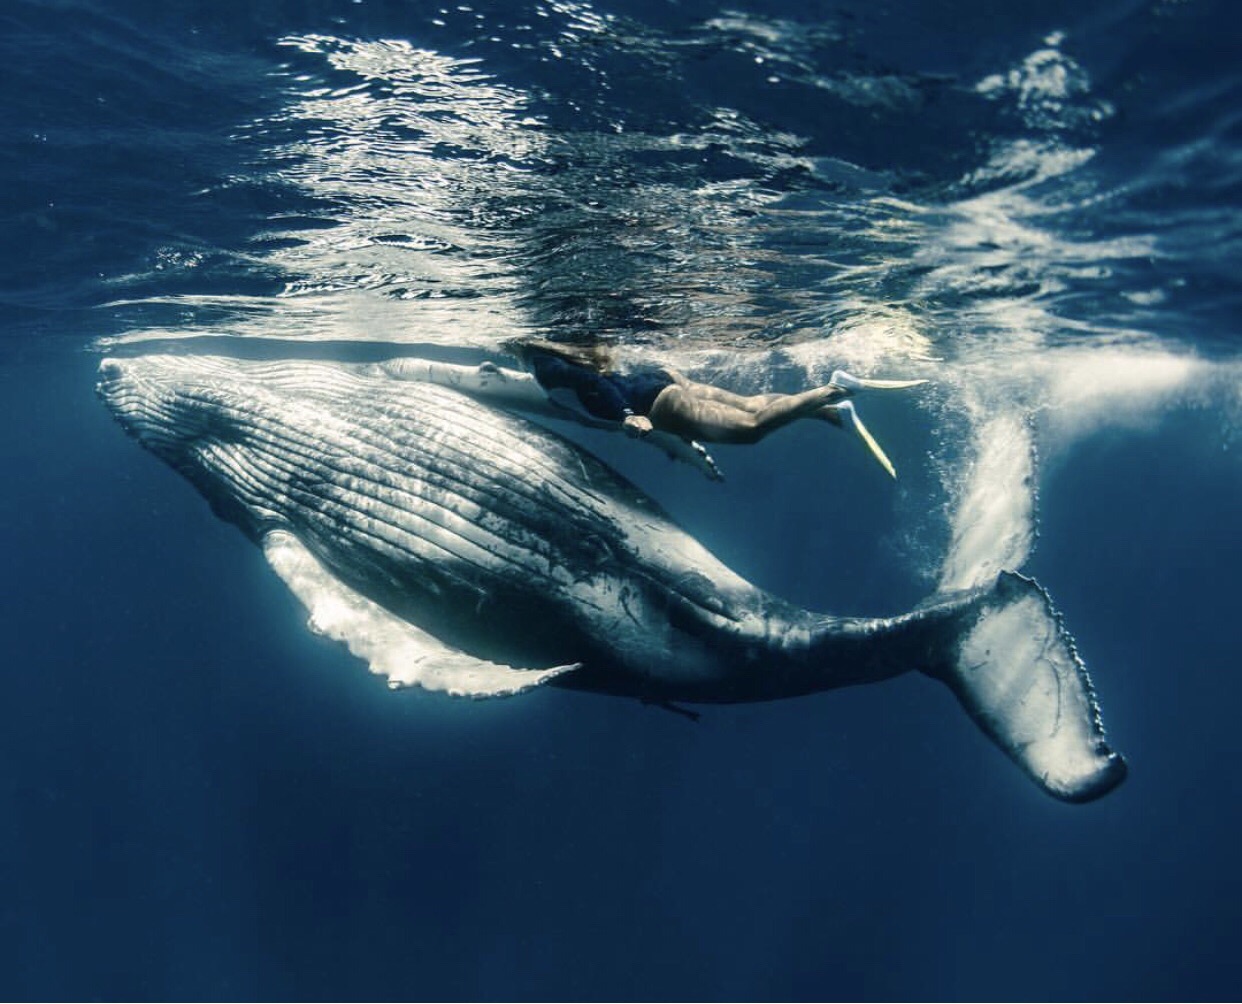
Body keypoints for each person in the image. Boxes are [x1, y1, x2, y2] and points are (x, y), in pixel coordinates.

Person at [503, 338, 922, 476]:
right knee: (750, 404)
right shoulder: (558, 350)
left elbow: (591, 383)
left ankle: (834, 391)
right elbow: (599, 376)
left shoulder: (542, 364)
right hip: (662, 385)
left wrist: (626, 416)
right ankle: (829, 413)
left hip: (655, 403)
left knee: (751, 428)